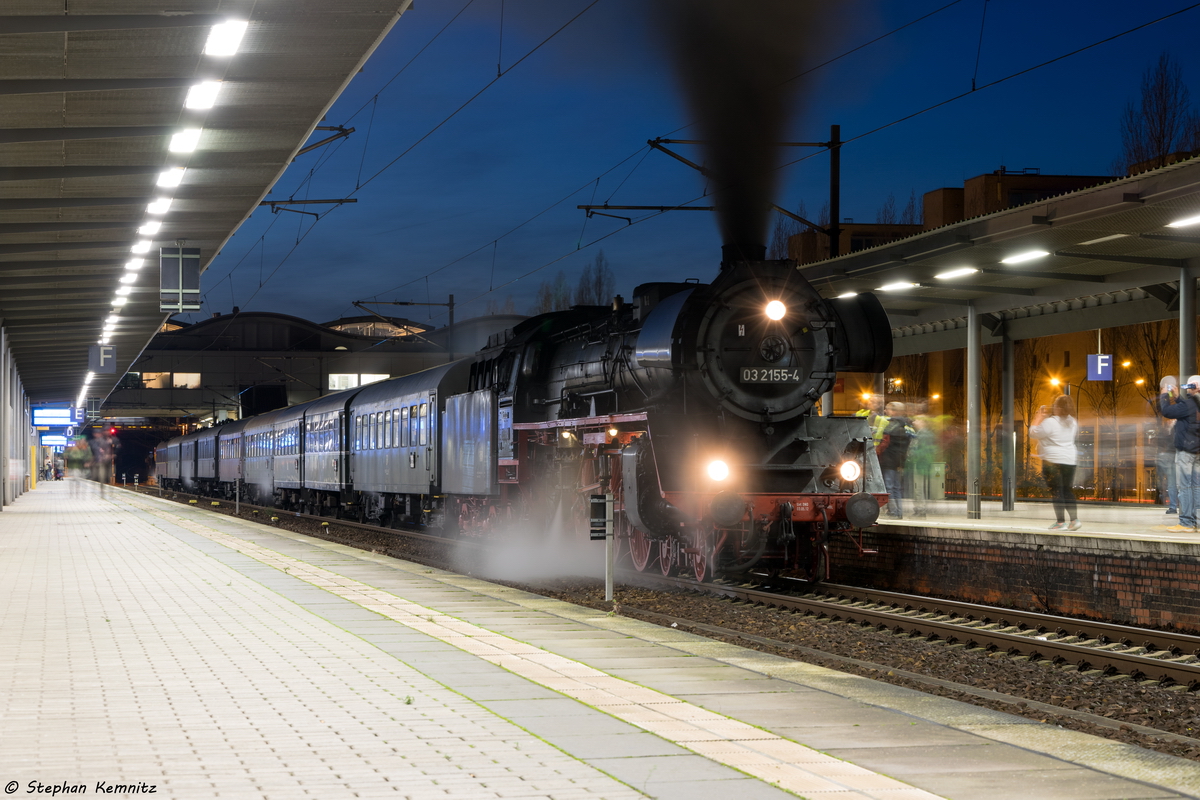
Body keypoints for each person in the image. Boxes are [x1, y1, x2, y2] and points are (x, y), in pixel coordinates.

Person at [1029, 394, 1080, 531]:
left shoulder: (1050, 422)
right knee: (1067, 489)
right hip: (1070, 460)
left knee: (1056, 490)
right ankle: (1074, 520)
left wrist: (1038, 418)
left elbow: (1033, 433)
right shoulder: (1073, 422)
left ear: (1057, 407)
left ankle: (1060, 522)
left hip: (1053, 461)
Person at [1161, 375, 1200, 533]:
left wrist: (1165, 395)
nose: (1187, 388)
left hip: (1186, 451)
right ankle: (1197, 521)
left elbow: (1167, 412)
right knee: (1197, 487)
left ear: (1195, 386)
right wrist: (1176, 398)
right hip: (1197, 451)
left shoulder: (1191, 404)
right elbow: (1187, 409)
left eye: (1189, 386)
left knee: (1184, 487)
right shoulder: (1193, 404)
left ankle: (1186, 523)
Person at [876, 401, 911, 519]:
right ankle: (899, 511)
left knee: (888, 486)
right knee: (896, 487)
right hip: (899, 461)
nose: (886, 412)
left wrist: (876, 451)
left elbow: (885, 443)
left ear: (894, 411)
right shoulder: (906, 425)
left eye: (888, 409)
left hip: (888, 460)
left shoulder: (891, 426)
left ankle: (893, 511)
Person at [1156, 375, 1179, 515]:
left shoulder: (1180, 422)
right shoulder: (1167, 426)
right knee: (1172, 481)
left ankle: (1176, 506)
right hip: (1173, 454)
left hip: (1178, 454)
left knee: (1180, 482)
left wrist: (1166, 395)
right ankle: (1173, 506)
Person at [907, 414, 937, 518]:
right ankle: (919, 509)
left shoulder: (923, 435)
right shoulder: (922, 433)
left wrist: (913, 456)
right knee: (918, 487)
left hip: (920, 464)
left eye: (916, 420)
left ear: (923, 422)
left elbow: (922, 450)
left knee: (918, 487)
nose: (914, 422)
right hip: (921, 463)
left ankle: (920, 510)